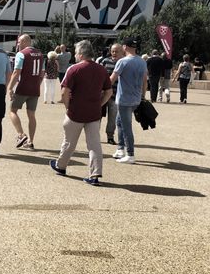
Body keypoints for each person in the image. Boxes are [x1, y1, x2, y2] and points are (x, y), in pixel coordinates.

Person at [49, 40, 113, 186]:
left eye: (77, 53)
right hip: (94, 113)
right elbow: (109, 91)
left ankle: (61, 166)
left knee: (69, 142)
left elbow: (64, 91)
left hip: (75, 112)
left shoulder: (74, 69)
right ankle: (95, 173)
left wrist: (67, 106)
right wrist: (100, 104)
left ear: (81, 54)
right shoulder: (102, 69)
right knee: (94, 144)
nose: (76, 56)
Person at [110, 37, 148, 164]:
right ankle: (120, 148)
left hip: (124, 99)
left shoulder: (122, 62)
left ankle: (130, 154)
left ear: (125, 47)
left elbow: (112, 79)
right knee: (119, 122)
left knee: (126, 126)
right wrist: (142, 96)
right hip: (135, 98)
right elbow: (144, 81)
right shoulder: (142, 62)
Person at [7, 34, 44, 150]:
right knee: (31, 115)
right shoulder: (40, 54)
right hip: (35, 88)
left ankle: (21, 134)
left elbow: (16, 72)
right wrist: (38, 83)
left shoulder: (21, 54)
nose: (18, 44)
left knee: (12, 110)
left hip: (23, 87)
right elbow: (42, 73)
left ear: (23, 41)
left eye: (19, 42)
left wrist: (10, 87)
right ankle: (31, 142)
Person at [99, 43, 122, 145]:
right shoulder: (105, 61)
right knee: (97, 116)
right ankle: (95, 135)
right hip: (102, 94)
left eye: (116, 51)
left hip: (116, 95)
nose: (114, 53)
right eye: (112, 51)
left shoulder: (124, 62)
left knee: (112, 118)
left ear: (122, 52)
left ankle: (110, 136)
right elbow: (98, 75)